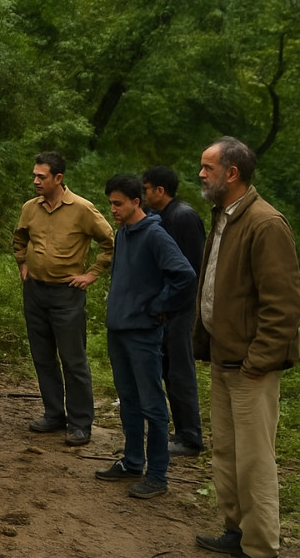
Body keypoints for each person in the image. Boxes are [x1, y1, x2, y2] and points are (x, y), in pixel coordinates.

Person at [192, 137, 300, 558]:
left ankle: (260, 548)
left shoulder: (265, 223)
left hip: (251, 367)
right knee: (227, 455)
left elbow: (284, 304)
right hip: (223, 357)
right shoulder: (223, 215)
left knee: (255, 462)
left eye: (207, 167)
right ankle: (235, 533)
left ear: (231, 174)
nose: (201, 174)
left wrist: (259, 360)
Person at [93, 174, 195, 499]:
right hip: (119, 331)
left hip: (143, 334)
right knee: (129, 401)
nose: (113, 209)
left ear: (137, 202)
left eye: (118, 203)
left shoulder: (155, 234)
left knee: (152, 404)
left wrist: (159, 306)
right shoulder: (124, 233)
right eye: (111, 203)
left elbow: (184, 275)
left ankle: (158, 475)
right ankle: (133, 460)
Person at [12, 151, 115, 446]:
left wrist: (92, 274)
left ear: (58, 178)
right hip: (35, 291)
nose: (35, 181)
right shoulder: (30, 208)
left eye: (41, 177)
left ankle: (80, 423)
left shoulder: (82, 209)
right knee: (42, 357)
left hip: (66, 293)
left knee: (73, 360)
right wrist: (23, 263)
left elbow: (109, 242)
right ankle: (53, 414)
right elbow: (19, 238)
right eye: (34, 175)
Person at [142, 165, 207, 457]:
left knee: (180, 372)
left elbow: (192, 271)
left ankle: (190, 437)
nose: (142, 195)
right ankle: (180, 431)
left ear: (160, 190)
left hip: (181, 309)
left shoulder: (183, 217)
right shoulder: (160, 217)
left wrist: (167, 303)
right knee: (168, 371)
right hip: (166, 309)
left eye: (145, 189)